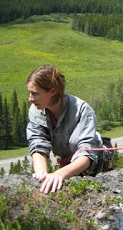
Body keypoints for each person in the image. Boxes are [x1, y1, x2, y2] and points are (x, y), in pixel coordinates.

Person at [26, 65, 102, 194]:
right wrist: (42, 175)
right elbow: (38, 143)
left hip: (92, 168)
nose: (30, 99)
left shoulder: (81, 110)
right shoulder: (36, 110)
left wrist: (60, 174)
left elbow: (86, 155)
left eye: (35, 94)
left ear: (53, 91)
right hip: (66, 164)